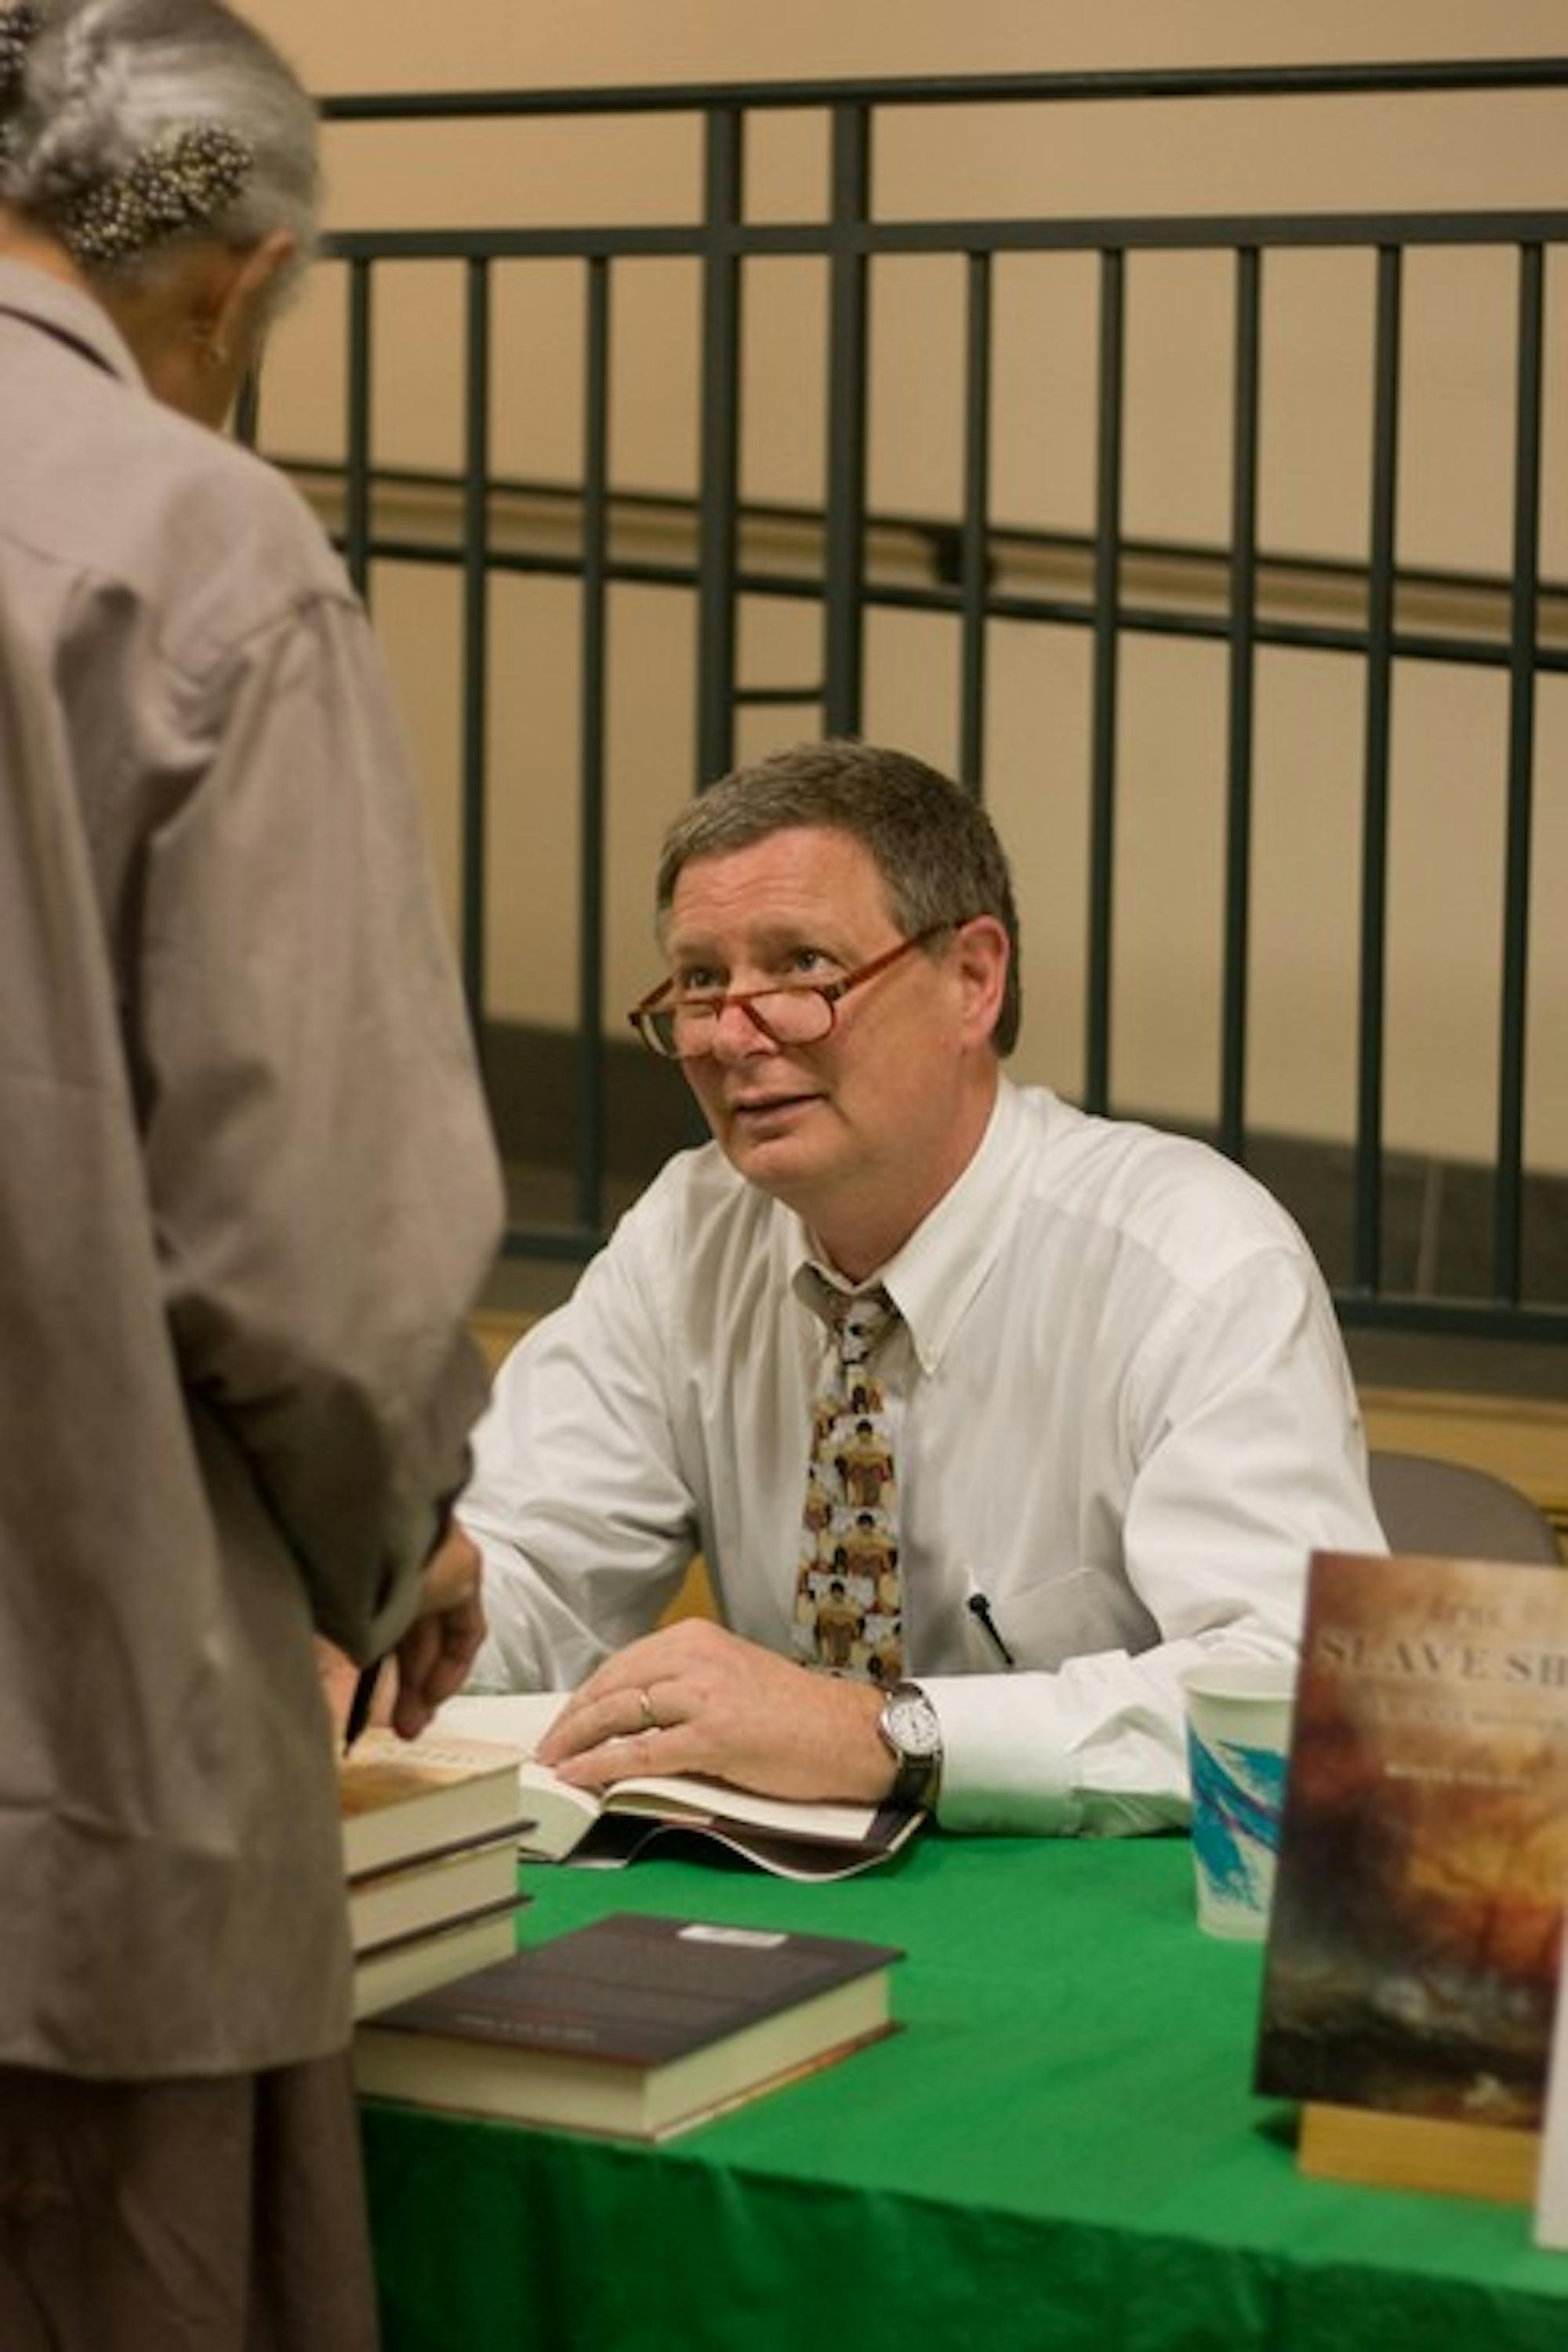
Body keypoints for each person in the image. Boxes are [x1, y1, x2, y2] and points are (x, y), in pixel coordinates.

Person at [0, 2, 503, 2344]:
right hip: (75, 1833)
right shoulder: (182, 543)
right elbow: (314, 1268)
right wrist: (394, 1537)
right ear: (234, 277)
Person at [460, 739, 1386, 1836]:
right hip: (770, 1910)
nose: (733, 1034)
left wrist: (885, 1737)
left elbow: (1295, 1697)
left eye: (802, 966)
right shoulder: (688, 1235)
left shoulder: (1193, 1263)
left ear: (973, 980)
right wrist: (369, 1637)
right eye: (702, 979)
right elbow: (528, 1573)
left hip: (1106, 1935)